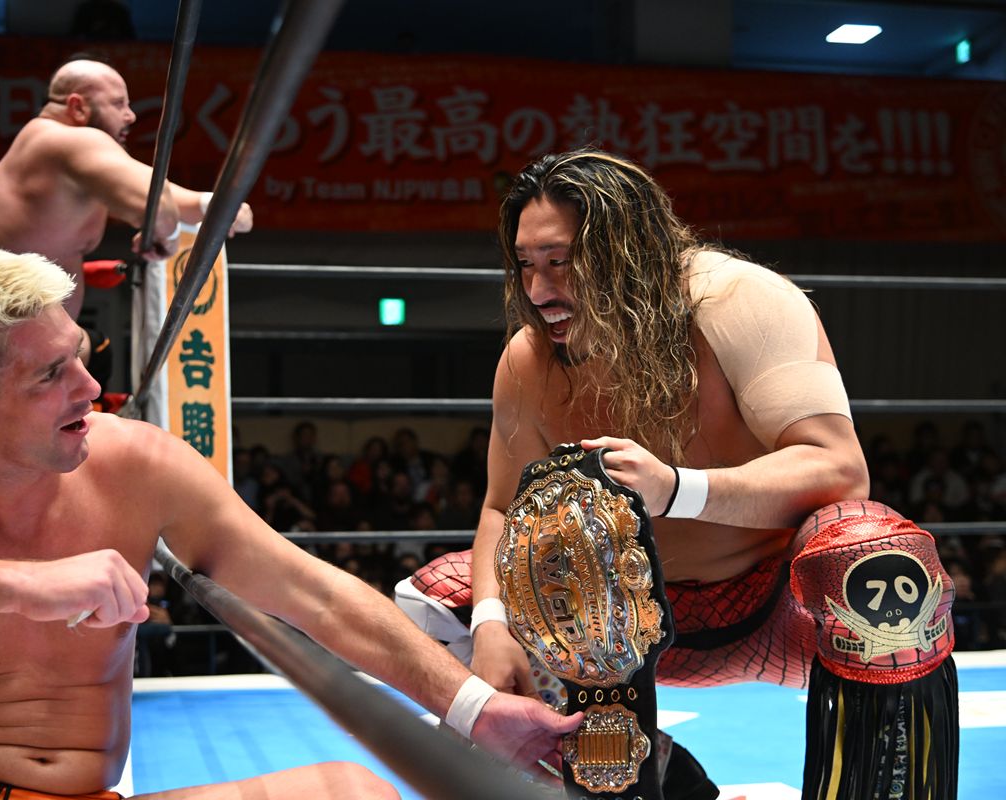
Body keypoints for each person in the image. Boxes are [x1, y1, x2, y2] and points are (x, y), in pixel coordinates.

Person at [0, 249, 579, 800]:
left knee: (356, 790)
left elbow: (312, 594)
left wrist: (475, 709)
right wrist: (22, 586)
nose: (91, 387)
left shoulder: (133, 465)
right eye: (50, 375)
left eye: (82, 354)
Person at [402, 148, 958, 799]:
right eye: (525, 264)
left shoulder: (740, 302)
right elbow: (503, 508)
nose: (538, 290)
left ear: (625, 250)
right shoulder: (530, 360)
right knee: (443, 598)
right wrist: (492, 624)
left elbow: (839, 469)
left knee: (874, 555)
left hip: (777, 609)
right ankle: (658, 778)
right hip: (615, 632)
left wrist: (675, 489)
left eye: (560, 262)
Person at [0, 56, 253, 383]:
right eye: (118, 103)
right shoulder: (68, 141)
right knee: (96, 356)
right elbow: (159, 208)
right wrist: (167, 236)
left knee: (92, 354)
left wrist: (215, 206)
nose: (131, 115)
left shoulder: (66, 153)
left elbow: (170, 200)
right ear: (77, 107)